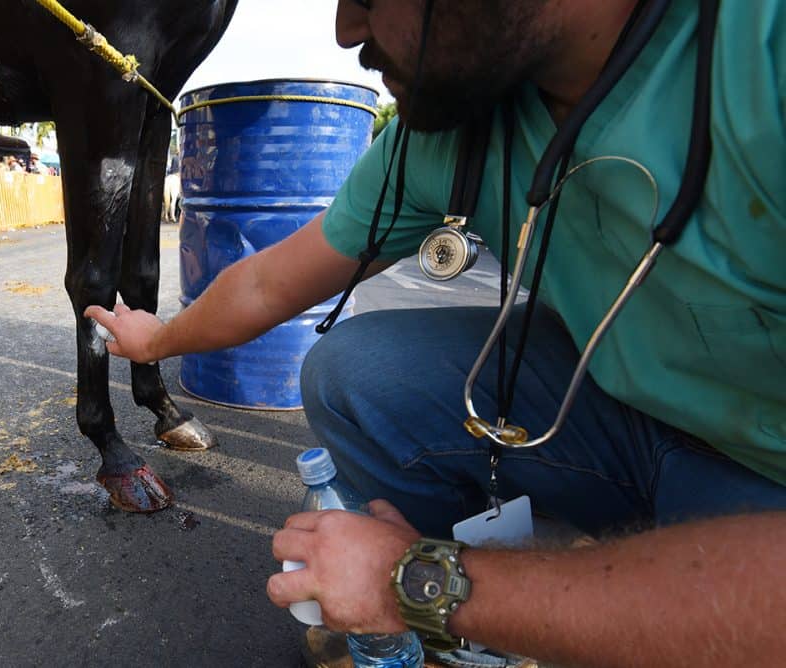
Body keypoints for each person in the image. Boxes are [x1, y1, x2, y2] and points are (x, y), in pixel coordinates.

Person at [86, 1, 785, 666]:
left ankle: (493, 610)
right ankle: (485, 629)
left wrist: (424, 583)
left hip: (759, 462)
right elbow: (271, 281)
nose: (345, 30)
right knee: (351, 371)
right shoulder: (459, 126)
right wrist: (159, 340)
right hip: (619, 404)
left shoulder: (760, 49)